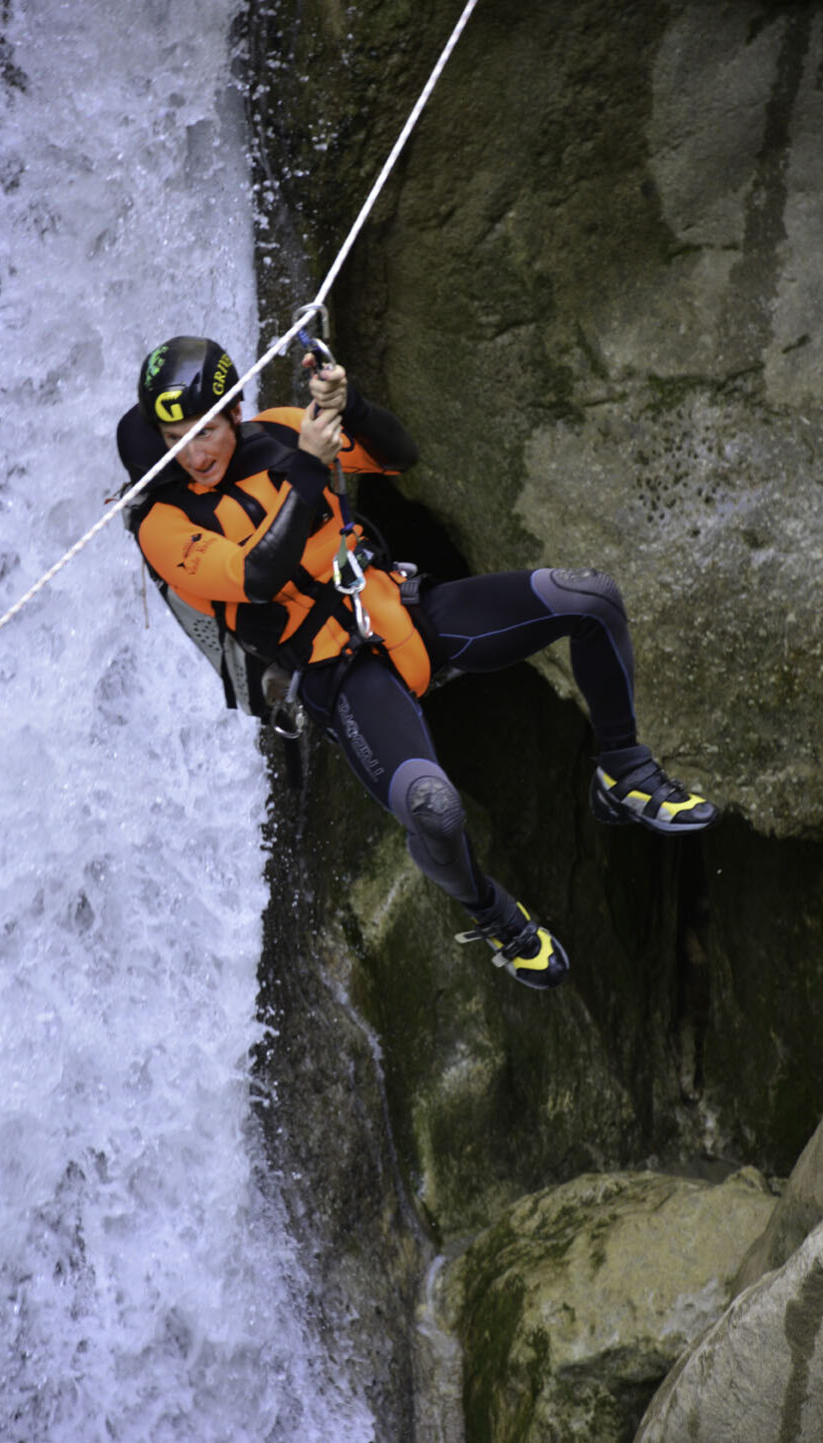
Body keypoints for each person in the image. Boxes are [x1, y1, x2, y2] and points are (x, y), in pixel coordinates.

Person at [116, 336, 719, 990]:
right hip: (340, 673)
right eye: (175, 435)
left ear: (234, 411)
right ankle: (491, 911)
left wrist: (354, 406)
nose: (195, 452)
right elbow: (261, 576)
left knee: (591, 598)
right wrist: (312, 469)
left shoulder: (286, 431)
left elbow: (400, 456)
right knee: (433, 807)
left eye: (206, 429)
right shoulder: (163, 526)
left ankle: (622, 771)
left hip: (403, 610)